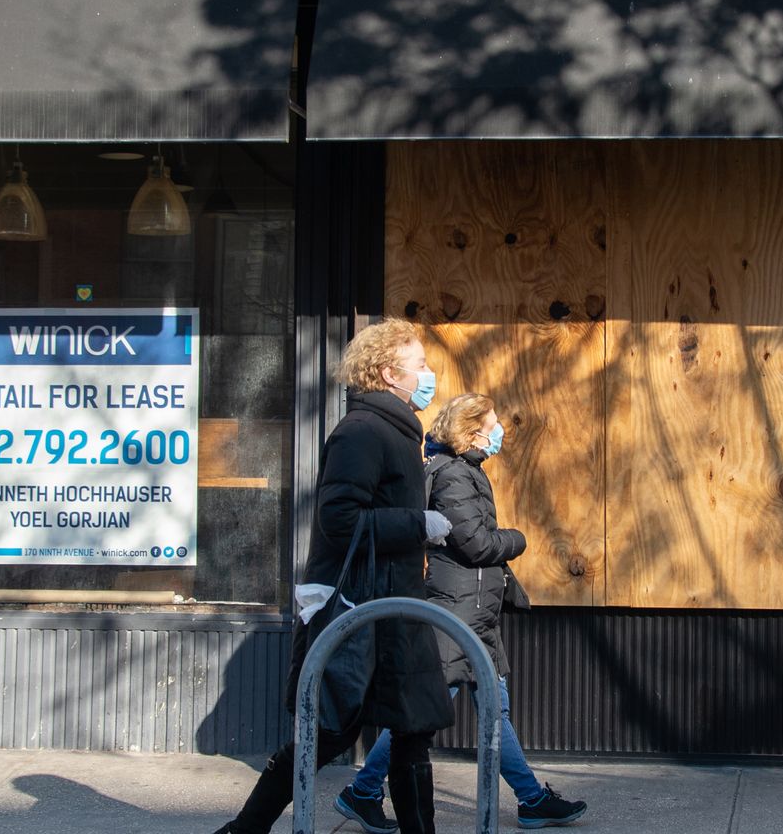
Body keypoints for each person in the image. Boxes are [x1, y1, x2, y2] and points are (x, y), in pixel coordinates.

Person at [212, 319, 456, 834]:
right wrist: (418, 524)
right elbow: (338, 519)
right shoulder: (363, 432)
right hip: (364, 612)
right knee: (329, 734)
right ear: (390, 373)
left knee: (413, 730)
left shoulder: (396, 431)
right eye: (420, 365)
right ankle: (245, 828)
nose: (429, 374)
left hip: (394, 607)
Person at [334, 393, 588, 833]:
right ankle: (363, 790)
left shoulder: (465, 471)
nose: (499, 432)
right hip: (458, 615)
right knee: (421, 716)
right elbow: (478, 544)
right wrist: (518, 539)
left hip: (475, 615)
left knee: (494, 710)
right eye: (493, 424)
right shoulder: (453, 474)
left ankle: (530, 799)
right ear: (472, 433)